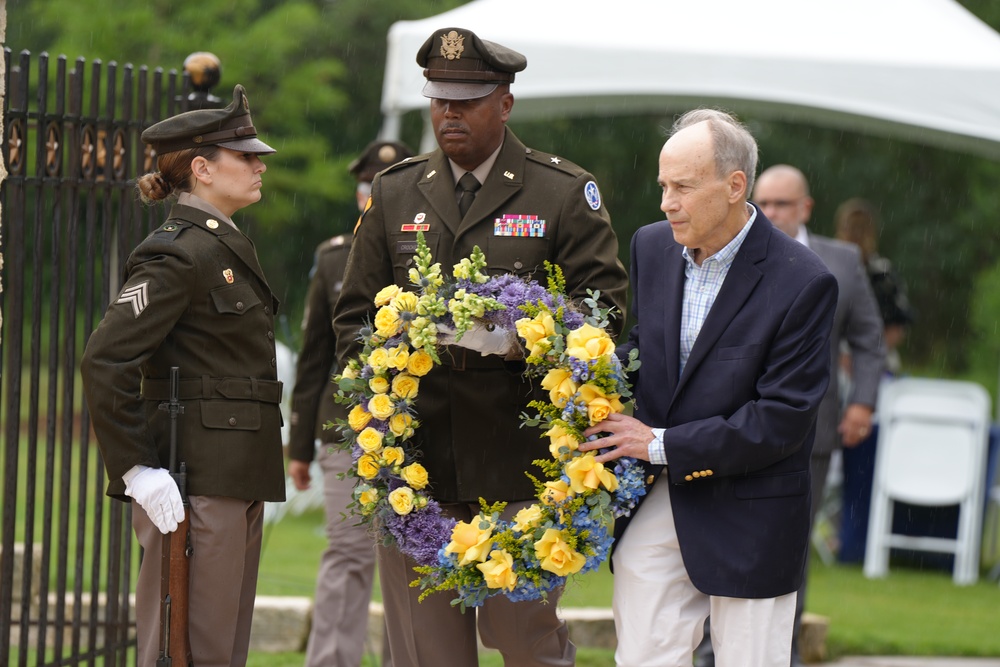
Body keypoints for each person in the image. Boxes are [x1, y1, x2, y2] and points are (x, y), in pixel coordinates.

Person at [332, 27, 628, 667]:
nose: (449, 113)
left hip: (520, 462)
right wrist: (375, 405)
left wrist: (513, 339)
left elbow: (607, 315)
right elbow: (353, 319)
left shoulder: (561, 192)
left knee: (527, 644)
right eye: (439, 98)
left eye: (467, 99)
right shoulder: (395, 192)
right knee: (426, 652)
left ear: (506, 102)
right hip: (416, 465)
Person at [579, 109, 838, 667]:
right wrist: (584, 380)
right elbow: (649, 347)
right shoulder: (651, 246)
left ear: (734, 186)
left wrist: (658, 444)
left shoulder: (805, 282)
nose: (667, 203)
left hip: (754, 513)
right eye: (663, 186)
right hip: (657, 502)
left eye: (683, 187)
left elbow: (782, 419)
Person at [80, 85, 283, 667]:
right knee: (184, 650)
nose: (258, 163)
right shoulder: (176, 254)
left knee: (219, 648)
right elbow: (105, 358)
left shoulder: (221, 246)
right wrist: (137, 468)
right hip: (196, 483)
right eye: (245, 155)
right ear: (202, 168)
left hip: (236, 474)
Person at [690, 164, 885, 667]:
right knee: (718, 538)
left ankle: (784, 653)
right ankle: (714, 651)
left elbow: (867, 338)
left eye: (782, 204)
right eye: (766, 202)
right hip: (730, 428)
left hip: (811, 431)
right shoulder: (728, 249)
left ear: (806, 208)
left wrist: (862, 401)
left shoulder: (840, 260)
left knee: (787, 547)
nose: (771, 212)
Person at [286, 139, 412, 667]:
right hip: (346, 428)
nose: (370, 197)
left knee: (412, 558)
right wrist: (299, 445)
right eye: (366, 187)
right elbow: (314, 355)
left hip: (417, 429)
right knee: (349, 552)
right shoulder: (334, 255)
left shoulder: (432, 253)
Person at [834, 197, 914, 374]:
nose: (856, 234)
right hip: (833, 364)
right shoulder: (828, 271)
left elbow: (898, 324)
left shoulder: (884, 274)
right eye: (851, 227)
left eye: (861, 228)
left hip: (878, 361)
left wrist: (868, 355)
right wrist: (840, 357)